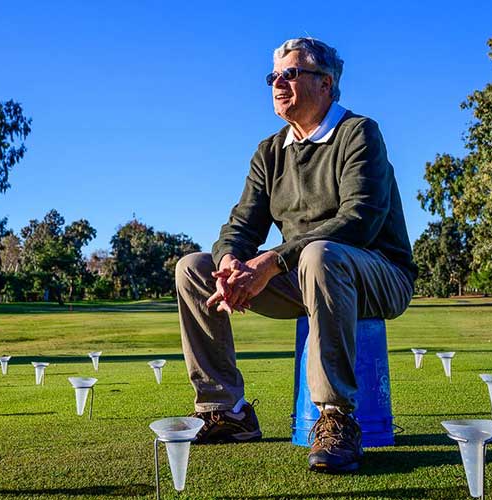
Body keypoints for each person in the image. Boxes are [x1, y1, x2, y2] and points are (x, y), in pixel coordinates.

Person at [175, 37, 416, 474]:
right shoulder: (270, 151)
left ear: (325, 84)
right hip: (305, 277)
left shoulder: (359, 134)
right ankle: (227, 411)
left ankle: (336, 418)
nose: (278, 84)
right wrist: (230, 260)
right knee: (194, 269)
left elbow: (358, 221)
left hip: (378, 276)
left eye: (290, 74)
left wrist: (269, 263)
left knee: (321, 254)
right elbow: (242, 225)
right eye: (274, 76)